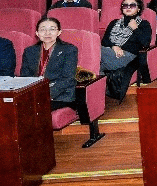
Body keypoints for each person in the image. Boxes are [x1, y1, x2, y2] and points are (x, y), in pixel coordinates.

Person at [21, 17, 102, 147]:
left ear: (59, 32)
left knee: (33, 109)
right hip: (35, 93)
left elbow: (67, 79)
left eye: (52, 29)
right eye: (43, 29)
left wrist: (45, 94)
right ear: (37, 33)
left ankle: (37, 146)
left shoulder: (69, 50)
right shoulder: (30, 51)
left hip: (61, 94)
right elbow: (25, 77)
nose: (47, 33)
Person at [100, 0, 152, 100]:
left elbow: (145, 43)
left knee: (92, 52)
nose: (128, 7)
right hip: (110, 54)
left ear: (138, 9)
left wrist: (135, 28)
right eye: (125, 5)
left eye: (132, 5)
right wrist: (114, 46)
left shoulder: (143, 24)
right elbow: (105, 41)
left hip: (127, 57)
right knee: (95, 64)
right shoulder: (114, 23)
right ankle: (98, 94)